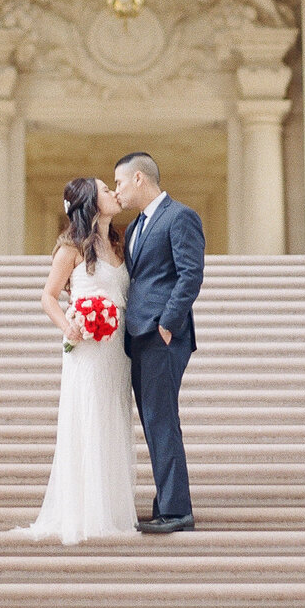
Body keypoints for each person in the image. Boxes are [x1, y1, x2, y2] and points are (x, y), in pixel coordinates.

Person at [14, 176, 137, 545]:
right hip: (87, 347)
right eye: (104, 189)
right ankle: (86, 510)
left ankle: (111, 506)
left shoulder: (118, 241)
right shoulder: (71, 246)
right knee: (91, 418)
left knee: (113, 417)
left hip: (117, 347)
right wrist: (68, 325)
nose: (113, 192)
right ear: (89, 201)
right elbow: (49, 296)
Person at [114, 151, 205, 534]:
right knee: (154, 421)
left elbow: (190, 273)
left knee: (161, 419)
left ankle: (177, 510)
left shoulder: (179, 216)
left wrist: (168, 323)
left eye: (118, 182)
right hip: (138, 336)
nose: (116, 190)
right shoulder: (135, 227)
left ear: (139, 178)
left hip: (162, 334)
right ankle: (166, 502)